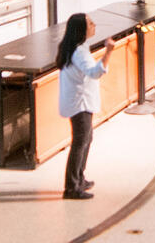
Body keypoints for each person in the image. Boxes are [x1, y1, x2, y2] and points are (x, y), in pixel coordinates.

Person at [56, 13, 114, 200]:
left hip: (79, 102)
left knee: (86, 139)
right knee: (80, 143)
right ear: (81, 29)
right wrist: (108, 52)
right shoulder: (79, 52)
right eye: (90, 23)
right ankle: (72, 187)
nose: (94, 24)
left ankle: (79, 178)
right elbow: (95, 72)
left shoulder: (76, 48)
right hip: (79, 104)